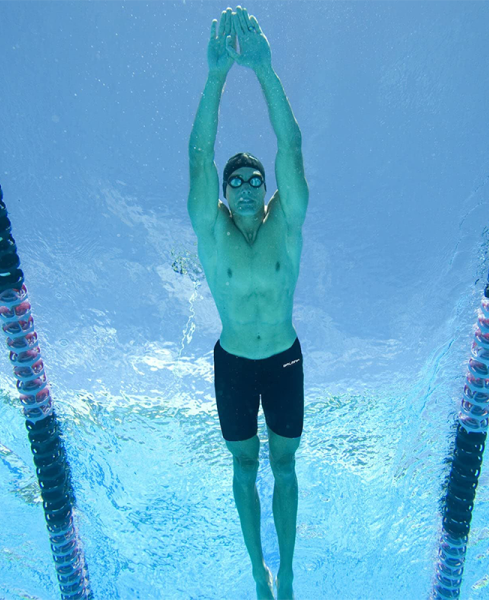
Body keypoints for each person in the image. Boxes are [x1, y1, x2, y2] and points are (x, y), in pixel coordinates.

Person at [187, 6, 308, 600]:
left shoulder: (287, 223)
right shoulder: (211, 235)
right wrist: (215, 78)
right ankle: (255, 572)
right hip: (233, 362)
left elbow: (291, 143)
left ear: (266, 191)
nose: (240, 185)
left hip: (284, 358)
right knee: (244, 468)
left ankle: (284, 572)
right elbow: (198, 157)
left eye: (252, 179)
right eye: (233, 179)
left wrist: (262, 68)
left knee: (283, 467)